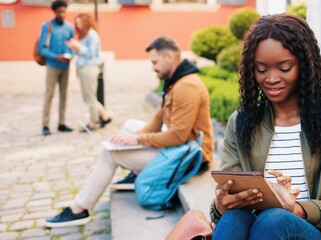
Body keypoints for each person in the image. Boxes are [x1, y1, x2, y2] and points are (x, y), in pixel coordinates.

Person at [210, 14, 321, 240]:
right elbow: (229, 195)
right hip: (258, 230)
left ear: (305, 65)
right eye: (261, 69)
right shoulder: (241, 122)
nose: (271, 78)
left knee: (275, 219)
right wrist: (221, 206)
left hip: (308, 232)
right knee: (234, 218)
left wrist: (295, 209)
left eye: (284, 67)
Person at [44, 36, 214, 228]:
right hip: (181, 148)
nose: (153, 67)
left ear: (169, 56)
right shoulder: (175, 81)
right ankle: (136, 170)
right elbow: (156, 121)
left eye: (155, 62)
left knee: (110, 154)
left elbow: (177, 136)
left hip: (191, 158)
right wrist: (130, 138)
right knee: (130, 126)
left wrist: (139, 140)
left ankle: (79, 209)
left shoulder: (187, 86)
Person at [66, 13, 111, 132]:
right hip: (83, 68)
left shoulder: (92, 35)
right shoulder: (83, 36)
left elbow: (91, 53)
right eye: (77, 23)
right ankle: (104, 115)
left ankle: (93, 121)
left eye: (80, 22)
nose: (78, 25)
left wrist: (78, 46)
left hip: (90, 68)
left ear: (86, 22)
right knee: (87, 97)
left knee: (90, 97)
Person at [38, 0, 75, 136]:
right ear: (54, 12)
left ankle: (62, 123)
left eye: (64, 11)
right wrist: (55, 56)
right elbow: (41, 48)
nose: (62, 14)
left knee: (64, 95)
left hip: (66, 66)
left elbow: (73, 45)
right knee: (49, 95)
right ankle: (45, 125)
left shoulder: (69, 27)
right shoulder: (47, 26)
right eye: (59, 12)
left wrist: (70, 55)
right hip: (52, 65)